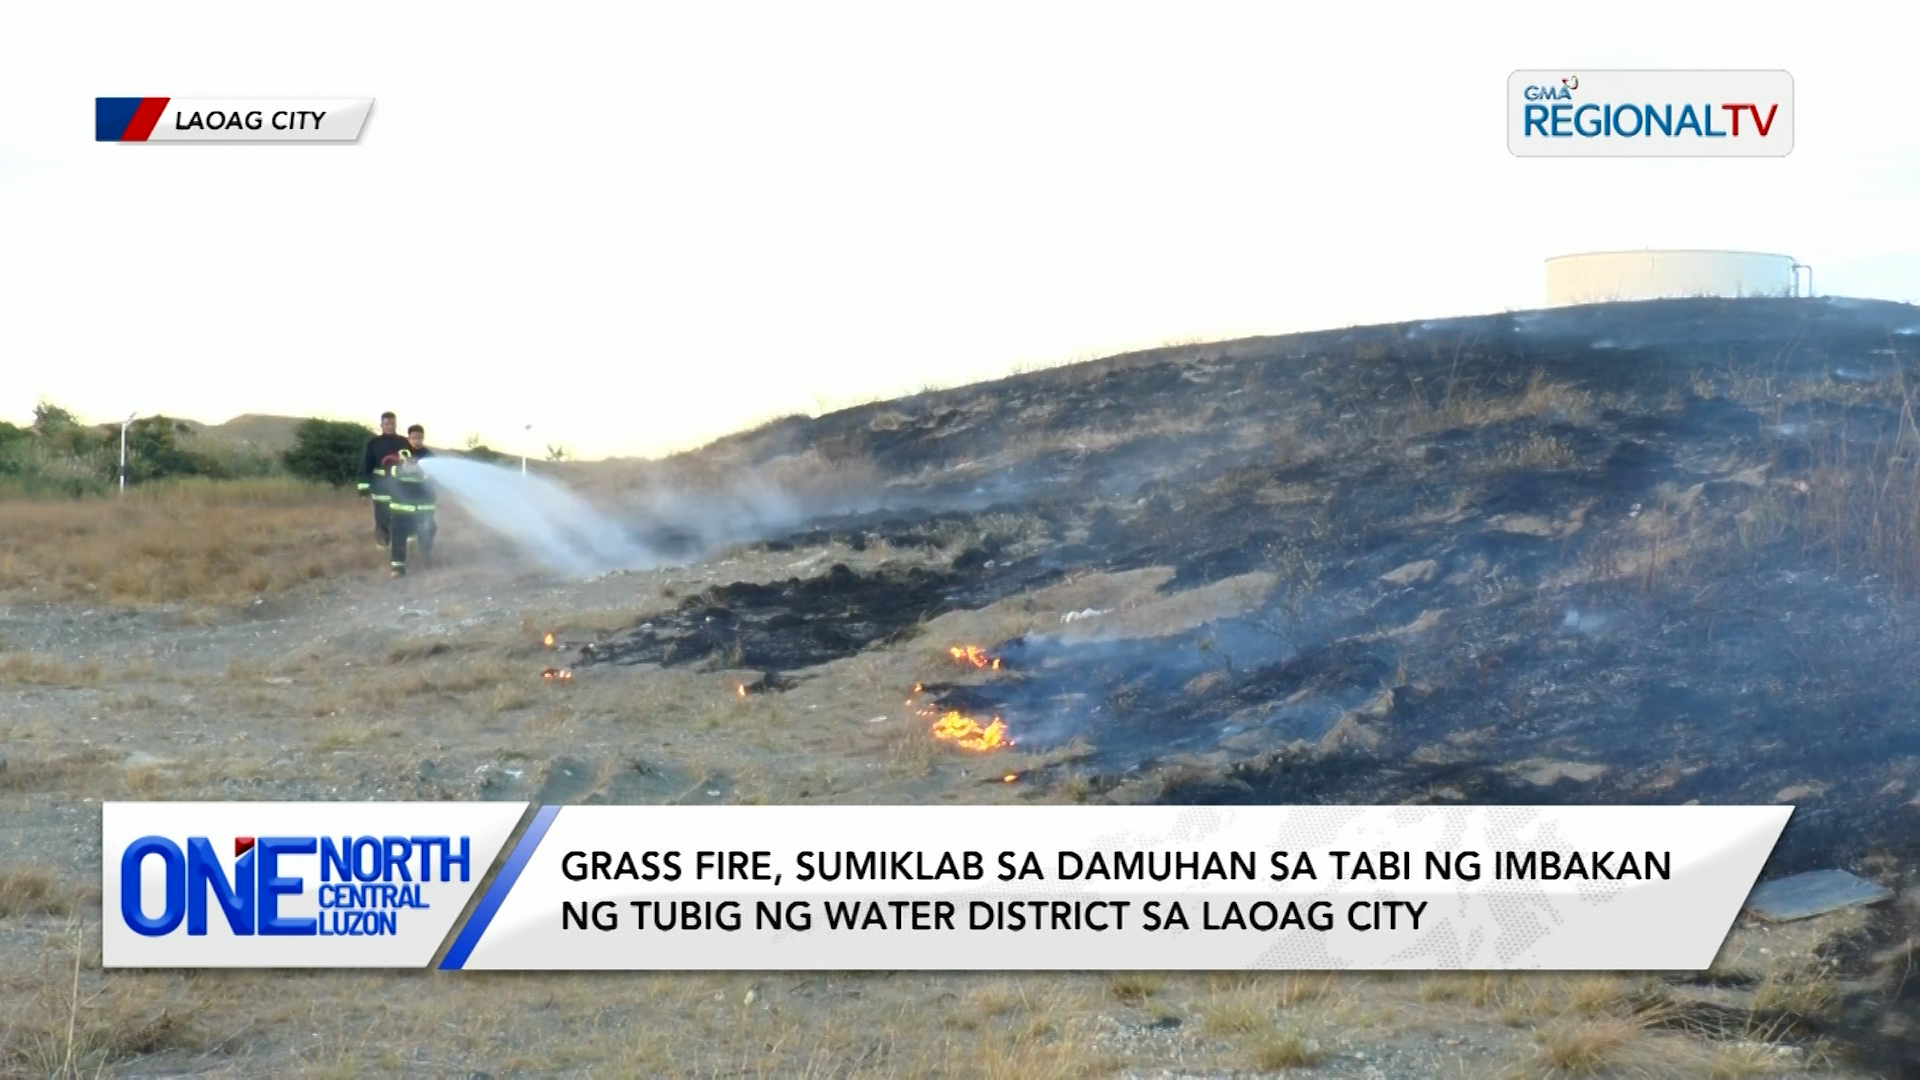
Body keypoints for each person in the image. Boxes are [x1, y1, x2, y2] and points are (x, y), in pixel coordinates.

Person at [357, 412, 411, 548]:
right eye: (387, 424)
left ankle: (400, 545)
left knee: (400, 516)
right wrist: (363, 491)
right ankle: (382, 545)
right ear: (381, 425)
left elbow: (409, 463)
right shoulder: (373, 444)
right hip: (380, 487)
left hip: (400, 487)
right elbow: (365, 467)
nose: (390, 426)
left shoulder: (403, 442)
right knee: (382, 517)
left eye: (392, 423)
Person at [399, 424, 438, 564]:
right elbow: (394, 472)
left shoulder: (429, 455)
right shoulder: (402, 454)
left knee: (429, 527)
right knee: (404, 529)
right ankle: (402, 558)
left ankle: (425, 553)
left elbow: (434, 477)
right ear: (408, 438)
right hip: (405, 497)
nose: (417, 441)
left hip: (425, 498)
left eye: (420, 438)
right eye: (414, 438)